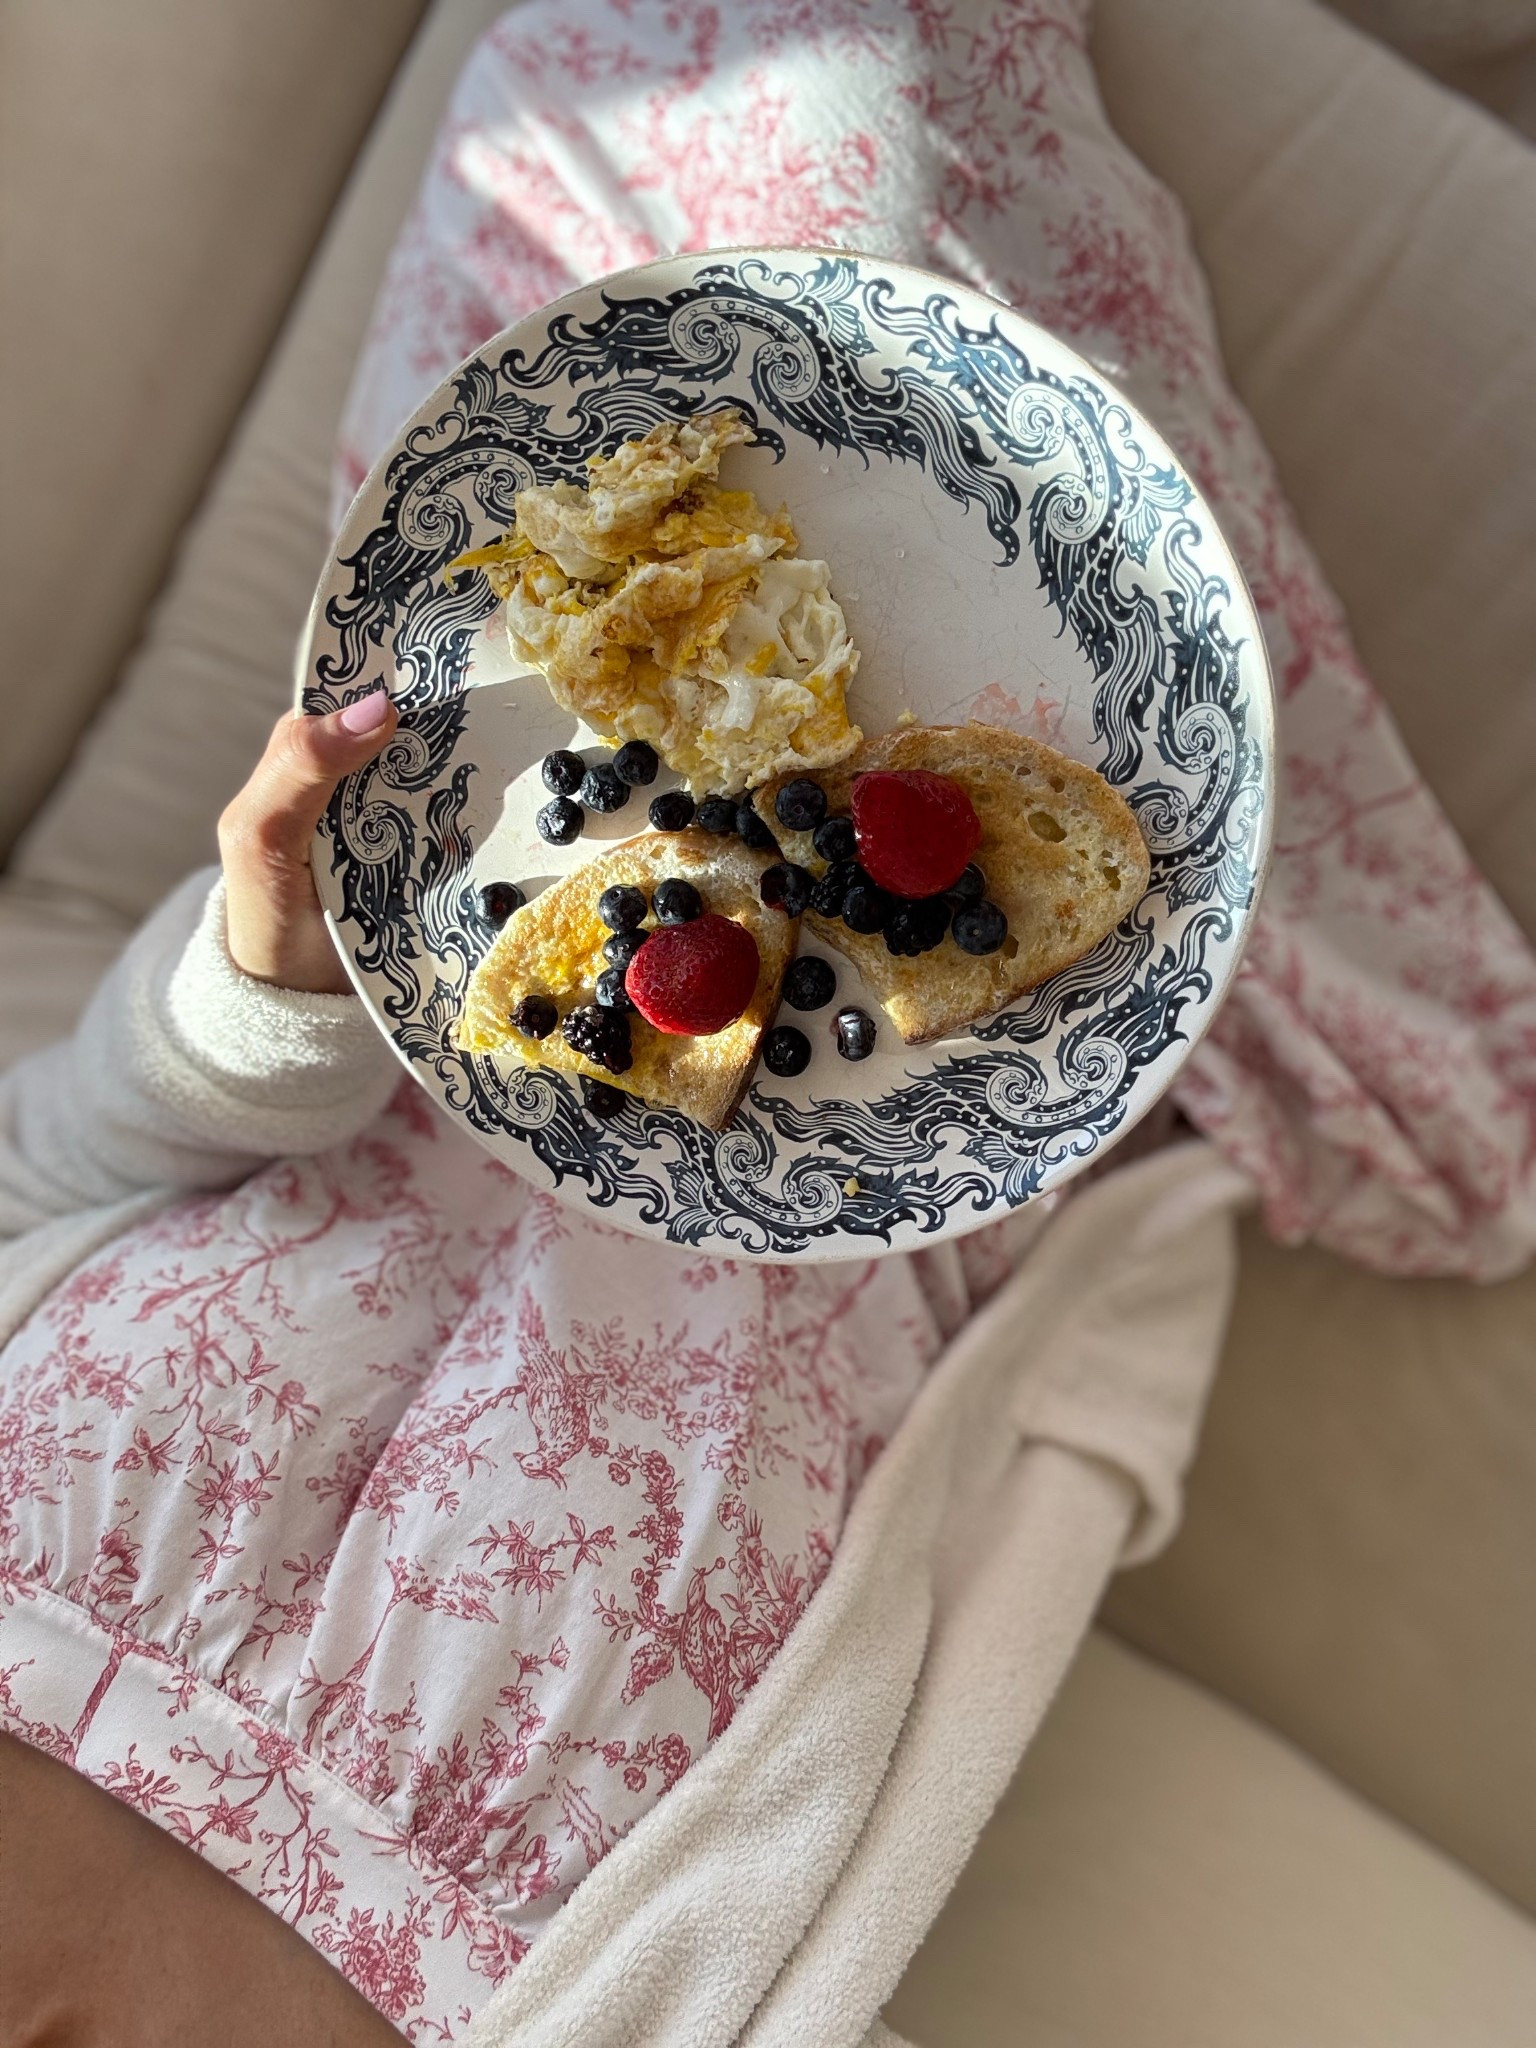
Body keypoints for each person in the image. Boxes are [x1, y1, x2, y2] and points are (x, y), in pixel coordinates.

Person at [4, 4, 1533, 2043]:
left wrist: (261, 976)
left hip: (500, 813)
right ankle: (1327, 963)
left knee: (695, 42)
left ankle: (1270, 836)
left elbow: (61, 1165)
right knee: (885, 190)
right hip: (951, 1085)